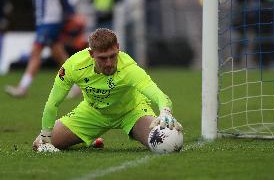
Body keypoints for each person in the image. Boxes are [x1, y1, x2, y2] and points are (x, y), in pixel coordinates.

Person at [32, 28, 182, 151]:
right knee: (39, 144)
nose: (109, 63)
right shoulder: (73, 66)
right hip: (92, 113)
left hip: (132, 112)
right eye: (103, 58)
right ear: (91, 54)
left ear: (118, 48)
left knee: (164, 142)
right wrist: (46, 137)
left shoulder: (129, 68)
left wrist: (165, 111)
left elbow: (158, 95)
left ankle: (86, 138)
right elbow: (53, 102)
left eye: (112, 56)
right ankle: (88, 139)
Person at [5, 0, 80, 97]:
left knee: (36, 52)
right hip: (43, 22)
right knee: (59, 55)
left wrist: (71, 14)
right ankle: (78, 85)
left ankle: (22, 88)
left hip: (50, 22)